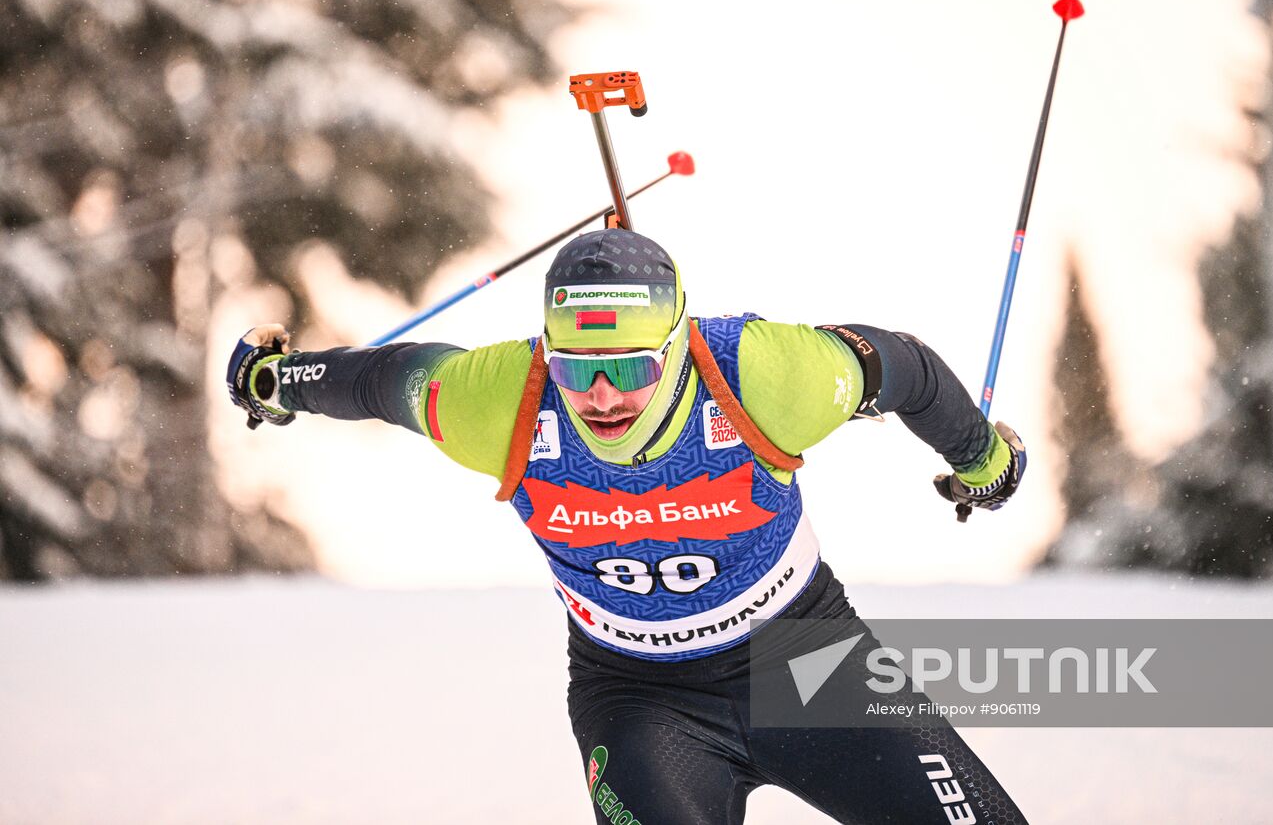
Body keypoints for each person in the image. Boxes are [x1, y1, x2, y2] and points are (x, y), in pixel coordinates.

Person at [226, 228, 1029, 824]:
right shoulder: (500, 397)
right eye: (578, 369)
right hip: (643, 700)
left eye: (630, 368)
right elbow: (377, 379)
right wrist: (276, 379)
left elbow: (906, 368)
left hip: (807, 663)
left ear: (676, 346)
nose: (603, 396)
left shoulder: (760, 372)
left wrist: (984, 459)